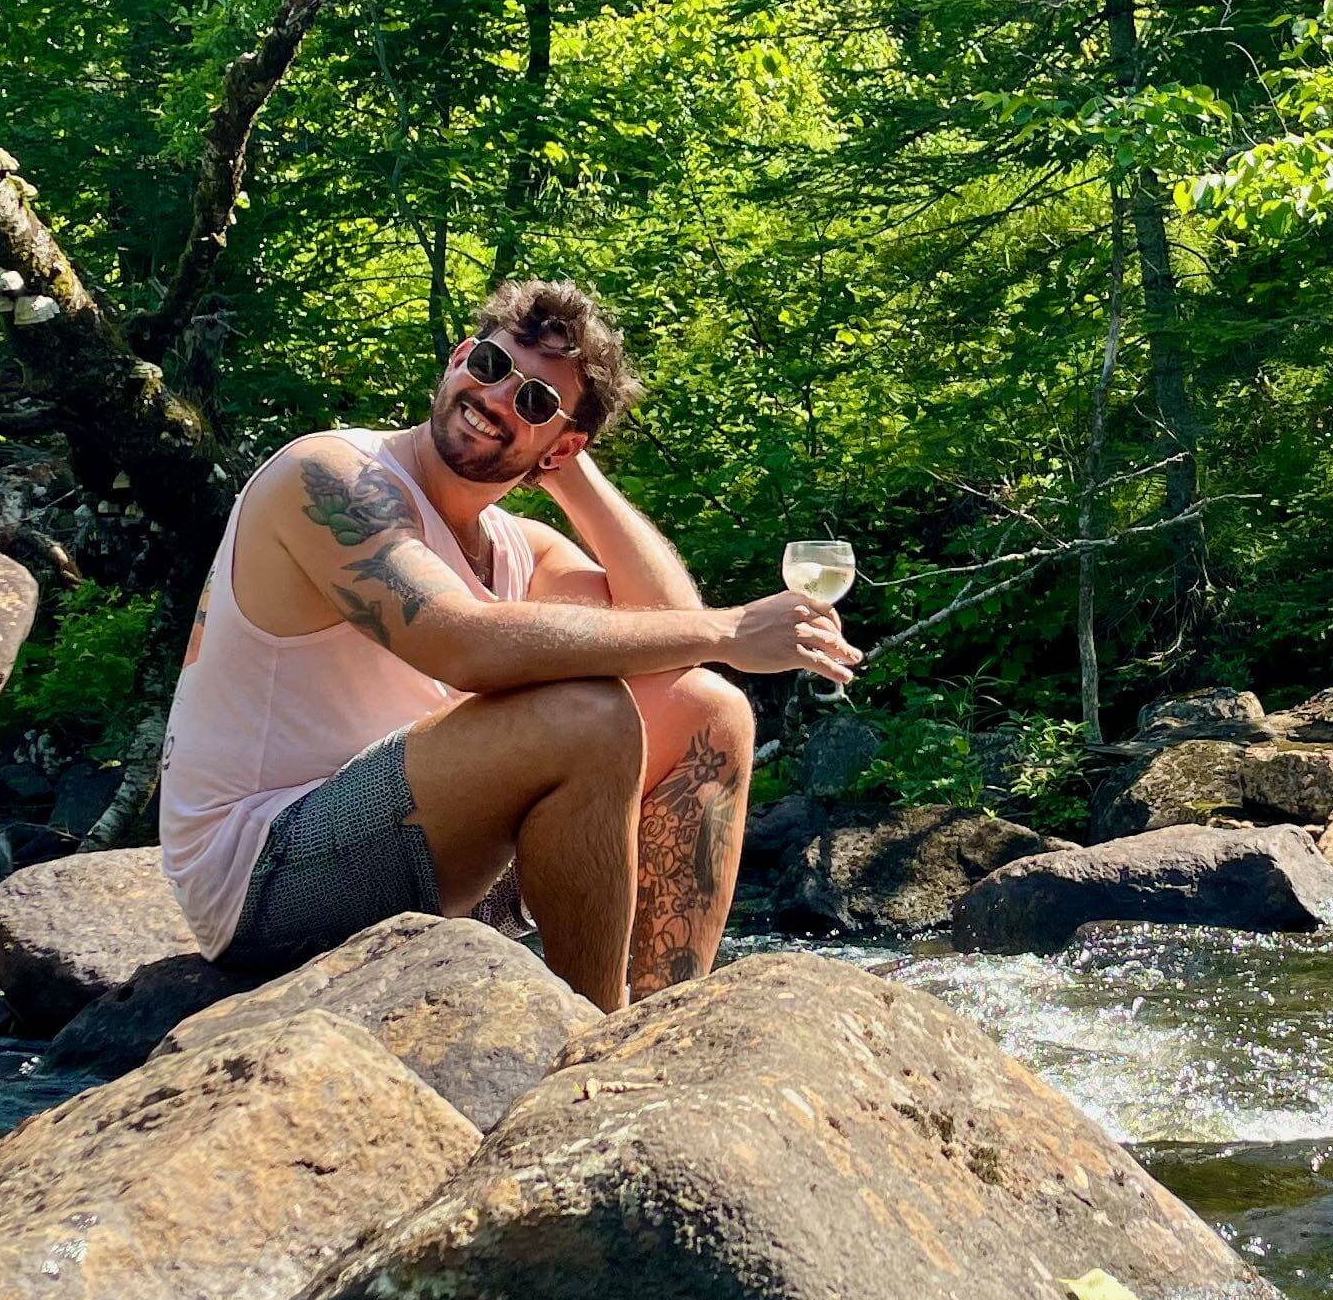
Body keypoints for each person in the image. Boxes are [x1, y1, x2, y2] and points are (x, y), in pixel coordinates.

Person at [157, 280, 856, 1007]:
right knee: (587, 717)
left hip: (436, 848)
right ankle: (593, 1041)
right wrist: (732, 628)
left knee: (710, 711)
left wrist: (572, 477)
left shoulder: (518, 547)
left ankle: (658, 1028)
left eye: (535, 402)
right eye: (491, 365)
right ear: (460, 356)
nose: (495, 398)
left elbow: (671, 637)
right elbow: (460, 642)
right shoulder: (334, 476)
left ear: (564, 444)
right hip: (264, 874)